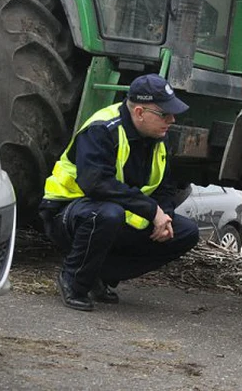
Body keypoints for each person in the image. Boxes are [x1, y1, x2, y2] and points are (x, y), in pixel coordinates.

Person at [38, 73, 199, 311]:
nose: (172, 119)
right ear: (139, 113)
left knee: (186, 232)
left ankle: (98, 274)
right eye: (164, 113)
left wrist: (163, 215)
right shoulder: (102, 129)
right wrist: (150, 210)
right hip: (67, 212)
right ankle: (74, 279)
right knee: (107, 214)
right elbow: (97, 184)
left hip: (117, 214)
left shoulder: (157, 137)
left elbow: (165, 187)